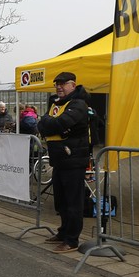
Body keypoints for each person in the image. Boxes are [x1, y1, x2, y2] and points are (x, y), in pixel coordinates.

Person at [37, 71, 92, 254]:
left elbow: (59, 123)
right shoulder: (57, 104)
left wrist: (49, 123)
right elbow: (43, 124)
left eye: (63, 84)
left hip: (73, 160)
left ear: (73, 85)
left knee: (73, 202)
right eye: (57, 84)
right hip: (59, 160)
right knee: (61, 201)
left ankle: (72, 240)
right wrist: (50, 123)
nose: (59, 87)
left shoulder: (78, 104)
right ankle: (63, 232)